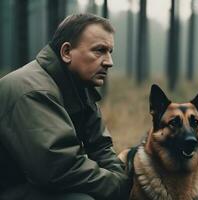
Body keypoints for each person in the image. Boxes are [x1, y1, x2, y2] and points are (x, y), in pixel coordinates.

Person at [0, 14, 129, 200]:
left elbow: (100, 146)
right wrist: (120, 188)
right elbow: (58, 168)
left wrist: (122, 181)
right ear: (66, 52)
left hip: (33, 184)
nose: (109, 61)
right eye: (99, 50)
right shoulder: (34, 91)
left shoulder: (78, 85)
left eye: (110, 51)